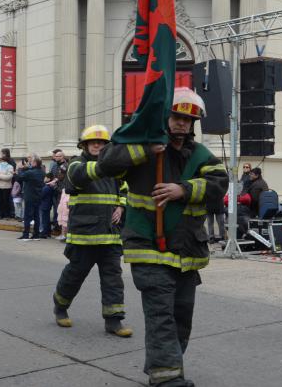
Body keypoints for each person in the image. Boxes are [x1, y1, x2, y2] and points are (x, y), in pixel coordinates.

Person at [95, 87, 229, 386]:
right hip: (148, 247)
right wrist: (144, 149)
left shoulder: (201, 154)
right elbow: (106, 162)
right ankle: (166, 379)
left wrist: (184, 189)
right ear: (164, 115)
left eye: (187, 119)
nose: (182, 123)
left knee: (181, 316)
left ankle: (165, 367)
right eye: (176, 116)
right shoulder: (143, 145)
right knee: (161, 315)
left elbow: (220, 183)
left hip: (186, 251)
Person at [52, 125, 132, 337]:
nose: (97, 145)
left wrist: (121, 205)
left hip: (110, 234)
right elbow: (79, 176)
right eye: (93, 142)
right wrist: (104, 166)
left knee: (113, 278)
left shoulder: (115, 170)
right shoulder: (75, 165)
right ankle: (60, 306)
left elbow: (124, 188)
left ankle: (114, 321)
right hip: (84, 236)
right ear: (85, 145)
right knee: (74, 275)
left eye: (102, 142)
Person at [15, 154, 45, 240]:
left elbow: (19, 177)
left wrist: (21, 169)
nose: (30, 163)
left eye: (31, 162)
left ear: (35, 163)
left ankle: (26, 235)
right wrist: (27, 168)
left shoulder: (30, 172)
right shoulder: (42, 172)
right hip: (38, 196)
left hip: (30, 196)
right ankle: (36, 235)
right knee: (36, 216)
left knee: (27, 216)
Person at [39, 173, 56, 239]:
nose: (44, 179)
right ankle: (48, 232)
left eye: (45, 177)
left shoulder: (47, 187)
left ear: (48, 179)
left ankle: (44, 233)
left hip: (44, 204)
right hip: (47, 204)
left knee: (44, 219)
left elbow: (41, 195)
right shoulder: (50, 186)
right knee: (47, 219)